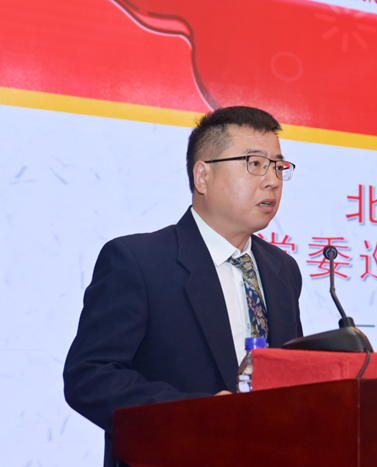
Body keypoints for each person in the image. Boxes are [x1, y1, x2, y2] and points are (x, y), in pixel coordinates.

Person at [63, 106, 303, 467]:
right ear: (202, 176)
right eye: (255, 164)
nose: (272, 180)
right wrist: (197, 413)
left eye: (278, 167)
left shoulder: (281, 268)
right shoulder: (139, 261)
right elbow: (90, 377)